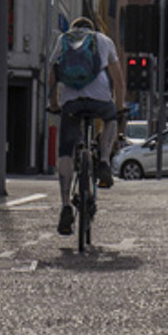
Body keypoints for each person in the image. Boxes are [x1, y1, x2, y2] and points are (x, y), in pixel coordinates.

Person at [48, 17, 125, 235]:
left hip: (71, 102)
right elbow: (119, 81)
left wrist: (54, 104)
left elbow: (53, 74)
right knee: (110, 118)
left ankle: (64, 207)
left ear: (74, 30)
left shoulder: (64, 39)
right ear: (92, 30)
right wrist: (118, 110)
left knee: (65, 153)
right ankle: (102, 160)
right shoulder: (103, 40)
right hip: (100, 99)